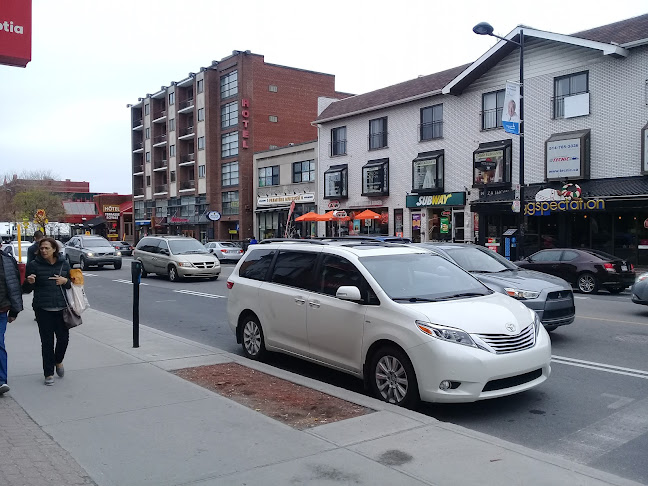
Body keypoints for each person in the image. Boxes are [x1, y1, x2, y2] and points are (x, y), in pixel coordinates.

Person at [22, 237, 72, 386]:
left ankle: (58, 361)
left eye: (47, 248)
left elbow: (73, 284)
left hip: (62, 308)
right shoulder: (33, 265)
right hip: (43, 309)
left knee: (63, 339)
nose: (44, 251)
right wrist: (29, 282)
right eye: (42, 248)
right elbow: (25, 289)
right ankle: (48, 373)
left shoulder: (64, 264)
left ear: (54, 249)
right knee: (47, 342)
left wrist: (65, 281)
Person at [0, 246, 24, 395]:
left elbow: (14, 286)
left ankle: (1, 380)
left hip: (1, 309)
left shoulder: (7, 261)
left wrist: (14, 310)